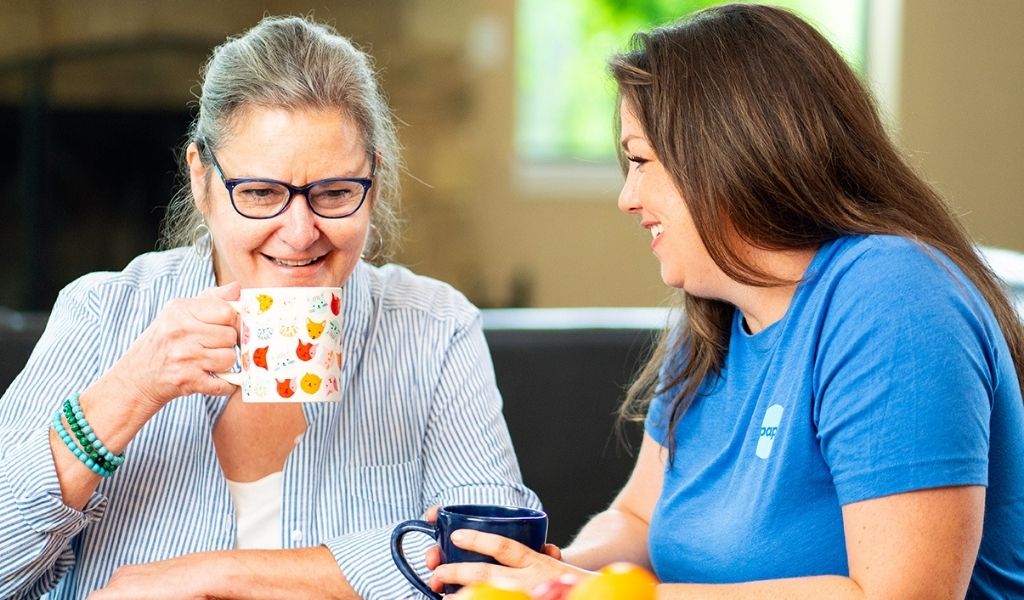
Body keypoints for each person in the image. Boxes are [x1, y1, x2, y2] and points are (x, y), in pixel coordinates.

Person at [428, 4, 1024, 598]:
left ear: (726, 154)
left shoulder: (895, 298)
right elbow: (637, 519)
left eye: (640, 161)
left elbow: (900, 595)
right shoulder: (716, 314)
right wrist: (547, 579)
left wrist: (609, 596)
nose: (627, 198)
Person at [0, 15, 538, 600]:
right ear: (202, 181)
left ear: (373, 183)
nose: (300, 232)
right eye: (260, 194)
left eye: (334, 193)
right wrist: (130, 391)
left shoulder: (434, 329)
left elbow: (497, 561)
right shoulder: (102, 313)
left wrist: (219, 572)